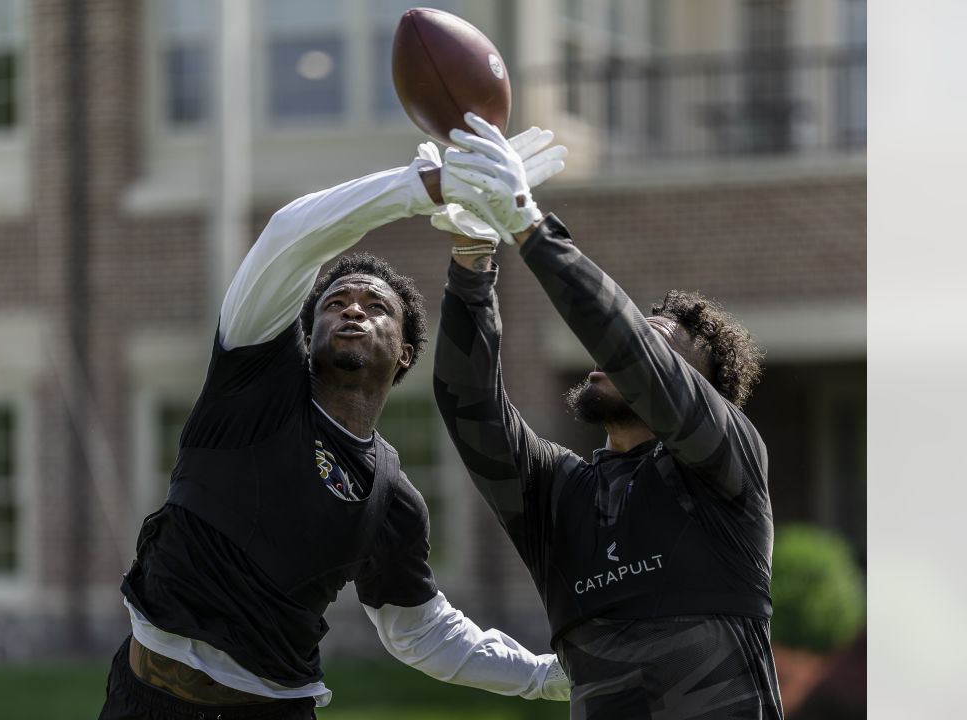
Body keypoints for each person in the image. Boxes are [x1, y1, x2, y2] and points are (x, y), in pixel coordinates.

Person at [98, 142, 570, 720]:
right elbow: (290, 235)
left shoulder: (391, 498)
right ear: (307, 328)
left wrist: (547, 678)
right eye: (334, 302)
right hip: (144, 699)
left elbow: (422, 633)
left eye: (375, 306)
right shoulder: (251, 381)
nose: (351, 310)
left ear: (404, 353)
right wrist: (420, 186)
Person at [430, 113, 784, 718]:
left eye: (656, 342)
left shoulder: (726, 467)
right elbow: (469, 403)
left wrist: (531, 225)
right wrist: (472, 258)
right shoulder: (556, 494)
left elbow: (630, 349)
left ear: (696, 390)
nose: (610, 352)